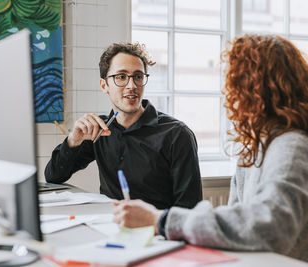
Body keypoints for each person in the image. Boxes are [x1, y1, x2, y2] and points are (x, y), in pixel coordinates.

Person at [113, 35, 308, 267]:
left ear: (259, 91)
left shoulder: (294, 148)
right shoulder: (255, 150)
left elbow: (267, 228)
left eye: (236, 83)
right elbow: (237, 230)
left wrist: (160, 220)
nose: (229, 94)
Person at [45, 42, 202, 209]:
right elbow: (53, 176)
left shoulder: (177, 135)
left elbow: (190, 209)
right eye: (121, 76)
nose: (132, 85)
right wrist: (73, 140)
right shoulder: (99, 130)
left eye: (138, 76)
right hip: (109, 226)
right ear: (104, 85)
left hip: (157, 231)